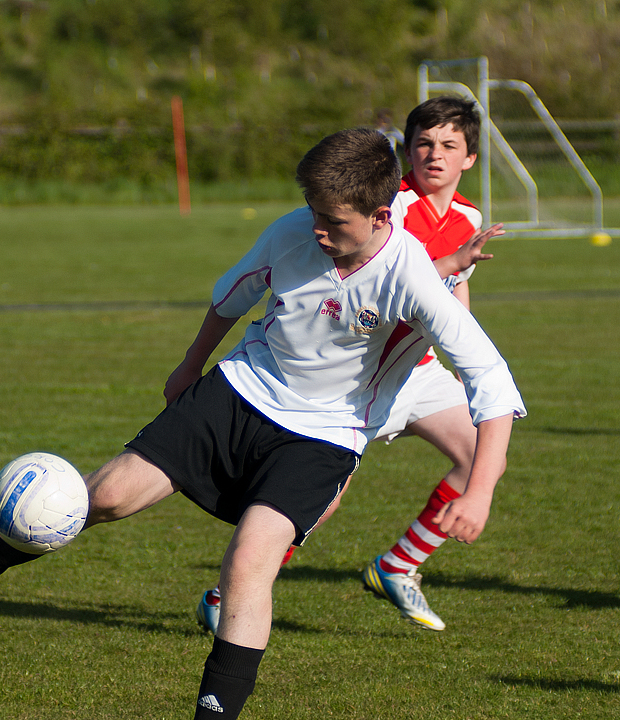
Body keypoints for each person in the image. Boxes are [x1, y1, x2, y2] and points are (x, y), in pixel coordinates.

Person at [0, 128, 525, 720]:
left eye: (331, 222)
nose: (315, 231)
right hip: (242, 388)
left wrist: (479, 490)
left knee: (250, 561)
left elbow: (492, 381)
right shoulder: (292, 233)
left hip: (326, 435)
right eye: (311, 214)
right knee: (104, 495)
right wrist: (190, 365)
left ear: (379, 214)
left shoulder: (413, 276)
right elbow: (233, 294)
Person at [196, 96, 506, 635]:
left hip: (422, 368)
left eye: (449, 146)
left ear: (470, 160)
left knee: (481, 452)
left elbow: (453, 295)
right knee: (322, 498)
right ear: (406, 151)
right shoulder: (388, 205)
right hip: (362, 369)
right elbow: (395, 280)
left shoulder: (468, 217)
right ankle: (226, 595)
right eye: (424, 143)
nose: (434, 155)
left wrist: (460, 355)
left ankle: (398, 565)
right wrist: (451, 264)